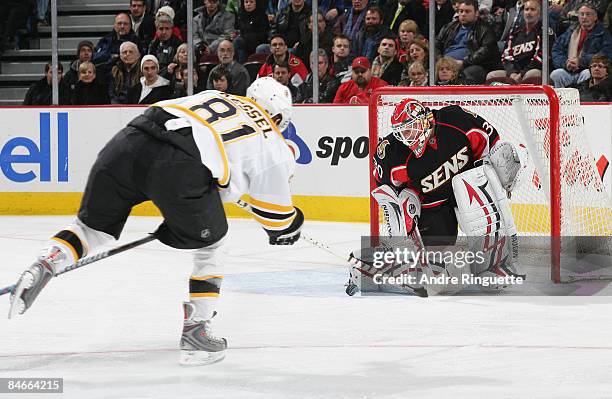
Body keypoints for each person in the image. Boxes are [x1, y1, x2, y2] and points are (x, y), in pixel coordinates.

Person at [9, 77, 303, 368]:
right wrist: (292, 224)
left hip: (131, 138)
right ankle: (196, 332)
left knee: (91, 229)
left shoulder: (215, 95)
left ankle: (48, 261)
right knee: (214, 245)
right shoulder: (270, 137)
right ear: (277, 115)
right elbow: (277, 220)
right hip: (181, 164)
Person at [347, 97, 526, 295]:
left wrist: (498, 180)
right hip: (433, 206)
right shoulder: (393, 153)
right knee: (436, 274)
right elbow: (385, 191)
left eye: (409, 129)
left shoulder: (456, 120)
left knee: (475, 186)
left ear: (425, 121)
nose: (405, 138)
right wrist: (401, 217)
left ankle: (493, 265)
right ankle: (373, 267)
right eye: (401, 133)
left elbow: (491, 145)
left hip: (469, 191)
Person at [487, 0, 554, 84]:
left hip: (531, 70)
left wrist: (521, 74)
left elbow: (541, 58)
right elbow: (506, 55)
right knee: (492, 75)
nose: (529, 12)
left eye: (532, 9)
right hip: (514, 72)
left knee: (533, 74)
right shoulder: (515, 32)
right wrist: (512, 72)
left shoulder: (545, 32)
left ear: (539, 13)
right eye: (526, 9)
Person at [435, 0, 501, 84]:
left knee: (470, 73)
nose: (463, 14)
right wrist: (441, 60)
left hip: (471, 65)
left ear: (476, 13)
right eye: (461, 11)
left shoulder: (485, 29)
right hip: (446, 63)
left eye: (467, 11)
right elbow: (436, 44)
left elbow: (486, 50)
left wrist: (464, 62)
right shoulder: (449, 27)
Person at [550, 2, 612, 88]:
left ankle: (584, 98)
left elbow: (606, 54)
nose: (584, 17)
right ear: (578, 17)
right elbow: (556, 49)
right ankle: (561, 100)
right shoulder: (571, 31)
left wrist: (581, 61)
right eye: (582, 14)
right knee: (556, 74)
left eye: (588, 14)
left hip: (587, 69)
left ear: (595, 17)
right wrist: (566, 63)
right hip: (569, 70)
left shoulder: (603, 33)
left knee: (587, 74)